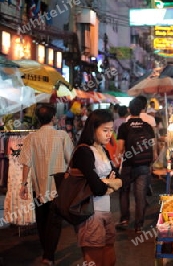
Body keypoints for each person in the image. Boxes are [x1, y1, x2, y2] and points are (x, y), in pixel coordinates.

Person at [18, 104, 74, 265]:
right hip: (57, 187)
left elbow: (26, 163)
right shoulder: (62, 135)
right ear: (53, 118)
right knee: (54, 222)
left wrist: (23, 185)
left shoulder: (31, 138)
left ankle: (46, 253)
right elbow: (71, 160)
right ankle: (49, 255)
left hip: (38, 187)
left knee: (42, 221)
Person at [71, 109, 121, 265]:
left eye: (111, 130)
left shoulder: (103, 149)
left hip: (105, 210)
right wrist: (109, 182)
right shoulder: (84, 152)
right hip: (90, 214)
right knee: (94, 258)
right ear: (93, 128)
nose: (109, 135)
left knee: (109, 254)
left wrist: (107, 182)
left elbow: (117, 176)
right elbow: (97, 187)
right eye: (105, 130)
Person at [116, 98, 157, 233]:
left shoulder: (124, 127)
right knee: (140, 196)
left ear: (129, 110)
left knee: (124, 192)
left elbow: (120, 149)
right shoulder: (147, 126)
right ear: (142, 110)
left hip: (128, 165)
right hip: (144, 165)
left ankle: (124, 219)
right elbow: (154, 151)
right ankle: (139, 226)